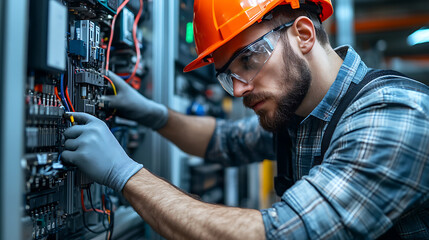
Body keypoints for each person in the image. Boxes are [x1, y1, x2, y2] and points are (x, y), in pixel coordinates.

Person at [62, 0, 429, 239]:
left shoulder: (393, 115)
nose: (237, 91)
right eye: (227, 75)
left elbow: (278, 235)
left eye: (249, 60)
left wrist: (125, 175)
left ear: (303, 34)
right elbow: (223, 140)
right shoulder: (299, 114)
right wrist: (153, 114)